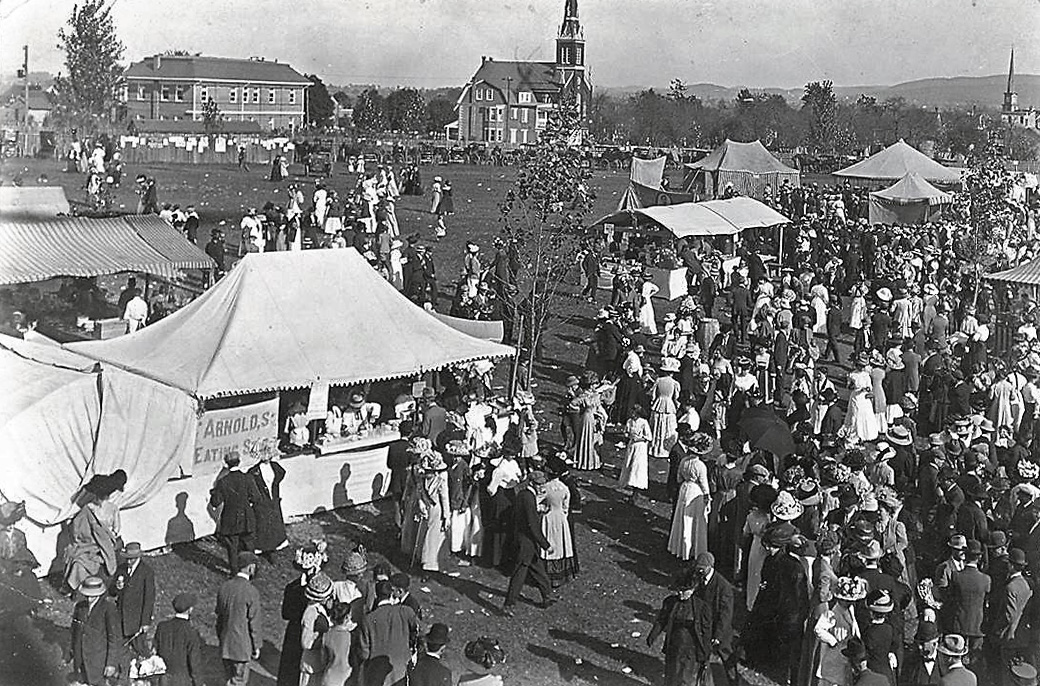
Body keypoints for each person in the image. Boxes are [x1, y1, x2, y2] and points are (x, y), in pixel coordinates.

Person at [646, 569, 713, 686]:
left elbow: (705, 632)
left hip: (690, 650)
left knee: (685, 679)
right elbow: (662, 620)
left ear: (693, 589)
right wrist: (652, 635)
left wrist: (705, 654)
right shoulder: (670, 602)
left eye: (684, 591)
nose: (680, 594)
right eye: (679, 590)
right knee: (671, 677)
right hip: (674, 646)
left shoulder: (701, 608)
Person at [503, 470, 555, 615]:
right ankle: (509, 604)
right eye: (539, 484)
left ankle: (548, 595)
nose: (542, 487)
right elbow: (532, 524)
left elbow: (524, 515)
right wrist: (546, 545)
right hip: (526, 542)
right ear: (532, 483)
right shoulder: (528, 497)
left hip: (524, 539)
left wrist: (538, 510)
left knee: (538, 568)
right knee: (519, 573)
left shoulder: (523, 494)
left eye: (543, 483)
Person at [64, 471, 124, 593]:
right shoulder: (88, 508)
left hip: (106, 545)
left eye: (102, 495)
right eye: (97, 495)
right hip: (89, 545)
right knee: (78, 559)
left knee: (101, 559)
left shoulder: (113, 508)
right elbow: (78, 530)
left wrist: (104, 537)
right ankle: (79, 587)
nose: (99, 499)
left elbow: (116, 530)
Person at [356, 580, 419, 686]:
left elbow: (364, 653)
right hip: (401, 672)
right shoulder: (406, 612)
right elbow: (419, 631)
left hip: (377, 675)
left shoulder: (368, 619)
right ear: (391, 594)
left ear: (376, 595)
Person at [215, 552, 263, 686]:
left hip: (225, 643)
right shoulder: (251, 591)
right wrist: (256, 646)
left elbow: (219, 618)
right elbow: (254, 623)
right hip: (242, 647)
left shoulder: (224, 587)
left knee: (228, 679)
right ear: (251, 568)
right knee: (239, 681)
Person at [210, 454, 262, 573]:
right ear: (239, 462)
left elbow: (215, 503)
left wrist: (213, 492)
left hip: (230, 518)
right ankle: (251, 570)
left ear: (226, 464)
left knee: (232, 547)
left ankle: (235, 572)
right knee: (249, 545)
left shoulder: (223, 481)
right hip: (246, 517)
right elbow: (256, 498)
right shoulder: (247, 478)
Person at [691, 552, 737, 685]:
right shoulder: (699, 578)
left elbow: (726, 614)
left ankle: (733, 682)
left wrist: (718, 635)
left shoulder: (723, 587)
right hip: (705, 626)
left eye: (703, 567)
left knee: (726, 656)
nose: (700, 570)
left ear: (710, 566)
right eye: (698, 567)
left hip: (720, 630)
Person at [668, 432, 714, 561]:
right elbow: (704, 484)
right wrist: (707, 498)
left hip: (685, 488)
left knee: (682, 518)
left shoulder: (684, 461)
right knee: (695, 520)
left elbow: (678, 478)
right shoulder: (700, 466)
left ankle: (680, 548)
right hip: (696, 492)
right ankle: (693, 549)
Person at [71, 576, 121, 686]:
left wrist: (111, 663)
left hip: (99, 661)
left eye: (92, 596)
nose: (89, 599)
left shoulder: (108, 608)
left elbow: (114, 638)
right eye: (87, 595)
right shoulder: (80, 607)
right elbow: (75, 632)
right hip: (81, 660)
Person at [110, 541, 155, 659]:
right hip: (120, 616)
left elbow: (149, 598)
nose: (129, 562)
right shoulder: (121, 569)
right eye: (127, 559)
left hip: (136, 618)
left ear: (138, 557)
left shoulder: (146, 572)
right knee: (118, 645)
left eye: (132, 559)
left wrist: (145, 622)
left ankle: (149, 668)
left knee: (140, 647)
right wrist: (116, 587)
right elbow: (112, 592)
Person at [154, 593, 204, 686]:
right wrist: (199, 683)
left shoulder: (162, 627)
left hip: (163, 679)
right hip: (182, 680)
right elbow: (194, 662)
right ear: (190, 610)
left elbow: (155, 650)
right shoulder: (191, 632)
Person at [247, 450, 288, 561]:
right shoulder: (254, 471)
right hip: (262, 502)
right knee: (263, 524)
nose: (267, 456)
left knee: (274, 522)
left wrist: (275, 487)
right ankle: (262, 548)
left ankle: (275, 545)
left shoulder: (275, 466)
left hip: (273, 499)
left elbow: (282, 473)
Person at [542, 466, 578, 589]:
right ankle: (561, 575)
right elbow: (565, 507)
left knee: (550, 540)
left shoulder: (545, 488)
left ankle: (548, 575)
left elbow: (538, 501)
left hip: (549, 517)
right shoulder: (564, 488)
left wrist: (544, 509)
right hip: (561, 517)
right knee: (561, 544)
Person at [300, 572, 334, 686]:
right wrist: (323, 640)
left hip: (318, 663)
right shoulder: (311, 613)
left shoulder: (320, 609)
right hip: (311, 665)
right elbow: (305, 643)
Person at [619, 405, 652, 502]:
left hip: (640, 447)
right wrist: (628, 435)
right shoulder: (629, 421)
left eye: (634, 413)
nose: (632, 414)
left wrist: (639, 438)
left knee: (637, 468)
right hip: (631, 446)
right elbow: (626, 432)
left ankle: (636, 493)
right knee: (629, 465)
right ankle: (631, 488)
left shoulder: (643, 423)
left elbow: (649, 437)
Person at [321, 601, 356, 686]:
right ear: (347, 617)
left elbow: (323, 660)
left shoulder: (326, 635)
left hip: (329, 677)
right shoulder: (350, 636)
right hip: (346, 677)